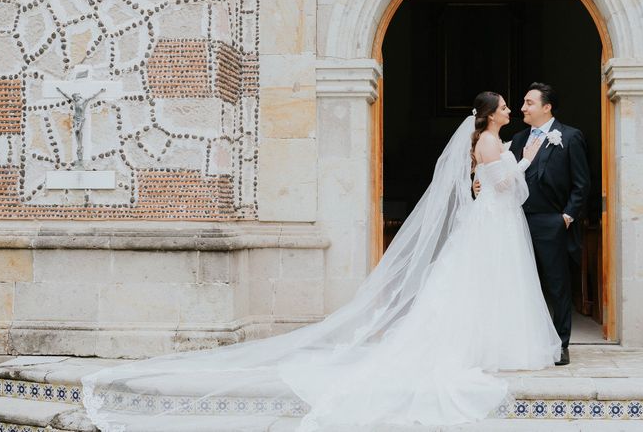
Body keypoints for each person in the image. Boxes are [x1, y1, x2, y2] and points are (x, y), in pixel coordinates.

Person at [82, 91, 561, 431]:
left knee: (483, 286)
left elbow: (485, 184)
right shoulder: (495, 143)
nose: (509, 108)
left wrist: (511, 167)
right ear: (490, 114)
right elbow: (506, 189)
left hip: (490, 226)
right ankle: (492, 347)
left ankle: (488, 345)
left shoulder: (489, 142)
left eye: (512, 104)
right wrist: (524, 163)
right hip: (496, 223)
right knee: (492, 284)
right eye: (504, 105)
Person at [508, 82, 591, 365]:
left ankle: (561, 344)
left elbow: (582, 184)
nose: (522, 108)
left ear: (547, 107)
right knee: (522, 283)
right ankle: (526, 342)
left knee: (558, 285)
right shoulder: (518, 140)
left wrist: (566, 217)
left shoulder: (570, 136)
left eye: (529, 103)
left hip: (552, 221)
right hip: (517, 220)